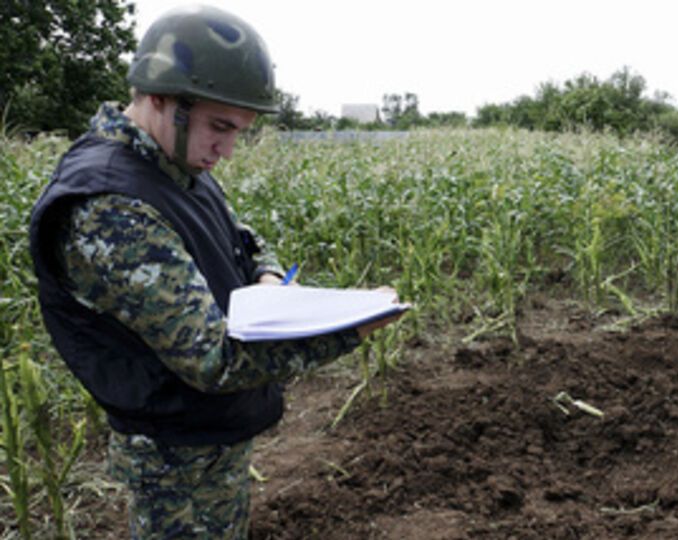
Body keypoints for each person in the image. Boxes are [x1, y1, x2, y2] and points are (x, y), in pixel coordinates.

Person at [28, 5, 401, 538]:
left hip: (208, 439)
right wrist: (348, 330)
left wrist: (269, 278)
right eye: (219, 127)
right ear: (161, 99)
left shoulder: (173, 165)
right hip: (175, 463)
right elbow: (214, 361)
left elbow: (244, 240)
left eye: (238, 132)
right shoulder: (110, 205)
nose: (226, 149)